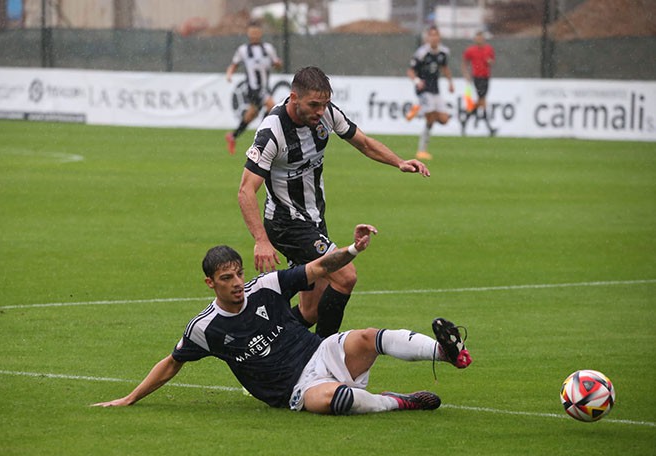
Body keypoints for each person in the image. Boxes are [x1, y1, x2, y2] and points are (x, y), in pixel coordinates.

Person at [92, 224, 472, 415]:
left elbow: (322, 266)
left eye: (239, 274)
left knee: (368, 336)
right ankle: (399, 402)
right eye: (227, 279)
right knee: (338, 400)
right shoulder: (205, 329)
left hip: (323, 353)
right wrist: (130, 398)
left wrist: (353, 248)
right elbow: (172, 363)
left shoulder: (266, 286)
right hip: (296, 390)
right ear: (210, 283)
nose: (237, 283)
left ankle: (445, 351)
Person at [238, 66, 430, 340]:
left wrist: (398, 161)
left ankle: (261, 350)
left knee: (310, 311)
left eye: (324, 104)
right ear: (294, 98)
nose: (320, 111)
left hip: (314, 219)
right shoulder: (272, 133)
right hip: (286, 223)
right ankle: (325, 360)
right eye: (314, 104)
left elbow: (362, 142)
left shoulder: (326, 114)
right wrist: (261, 240)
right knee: (345, 277)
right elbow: (246, 190)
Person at [225, 20, 282, 155]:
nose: (254, 35)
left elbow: (277, 65)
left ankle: (233, 136)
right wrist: (229, 74)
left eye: (256, 32)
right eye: (252, 32)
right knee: (271, 106)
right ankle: (263, 135)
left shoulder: (268, 48)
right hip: (252, 88)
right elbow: (234, 64)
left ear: (260, 33)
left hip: (264, 87)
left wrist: (279, 64)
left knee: (251, 115)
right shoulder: (243, 50)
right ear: (248, 33)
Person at [406, 25, 454, 161]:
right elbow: (410, 71)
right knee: (431, 119)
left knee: (444, 120)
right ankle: (421, 151)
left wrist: (450, 82)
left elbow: (444, 67)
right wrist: (417, 81)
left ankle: (418, 111)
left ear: (439, 37)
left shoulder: (444, 52)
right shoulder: (421, 53)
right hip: (423, 89)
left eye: (436, 35)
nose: (434, 38)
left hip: (436, 89)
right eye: (431, 35)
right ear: (427, 37)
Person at [460, 31, 496, 136]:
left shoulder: (489, 49)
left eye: (480, 38)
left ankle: (465, 119)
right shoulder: (471, 50)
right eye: (477, 38)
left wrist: (489, 62)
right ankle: (489, 128)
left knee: (481, 102)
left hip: (486, 78)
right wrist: (466, 75)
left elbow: (492, 61)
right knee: (482, 101)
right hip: (477, 78)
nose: (479, 40)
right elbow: (464, 63)